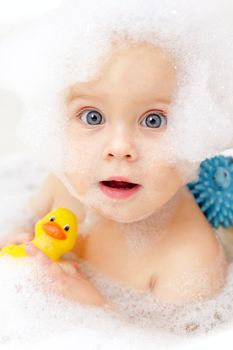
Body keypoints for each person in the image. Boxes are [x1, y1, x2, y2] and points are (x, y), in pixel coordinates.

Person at [0, 0, 231, 309]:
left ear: (197, 133)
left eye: (154, 120)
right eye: (92, 116)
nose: (119, 147)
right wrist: (18, 243)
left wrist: (96, 308)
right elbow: (24, 222)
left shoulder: (189, 259)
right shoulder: (65, 186)